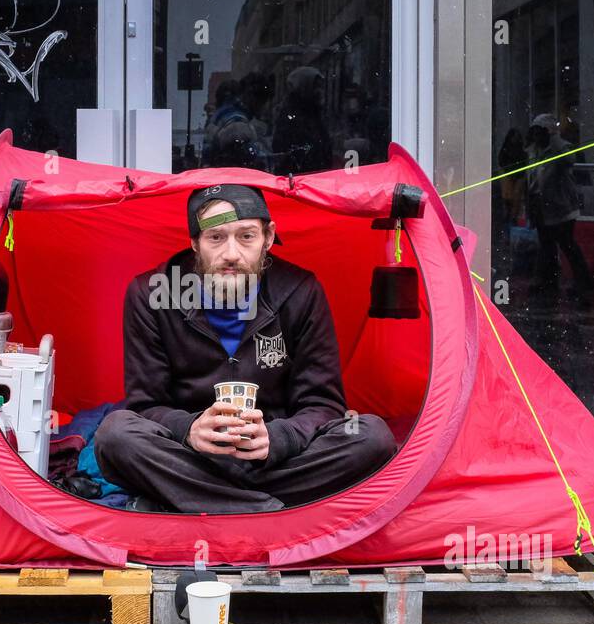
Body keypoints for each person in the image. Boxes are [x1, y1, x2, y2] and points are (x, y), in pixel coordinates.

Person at [94, 185, 397, 513]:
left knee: (372, 437)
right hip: (190, 455)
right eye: (216, 238)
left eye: (246, 236)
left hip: (275, 459)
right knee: (115, 435)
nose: (231, 254)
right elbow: (146, 405)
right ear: (194, 242)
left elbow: (322, 404)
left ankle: (199, 500)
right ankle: (269, 510)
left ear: (268, 237)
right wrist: (190, 430)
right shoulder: (150, 294)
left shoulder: (300, 291)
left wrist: (277, 439)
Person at [525, 113, 594, 296]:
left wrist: (554, 139)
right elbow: (532, 178)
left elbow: (569, 160)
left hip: (561, 207)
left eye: (539, 132)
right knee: (547, 244)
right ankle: (548, 282)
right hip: (541, 207)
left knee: (567, 245)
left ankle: (583, 282)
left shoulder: (560, 148)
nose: (535, 136)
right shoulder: (534, 152)